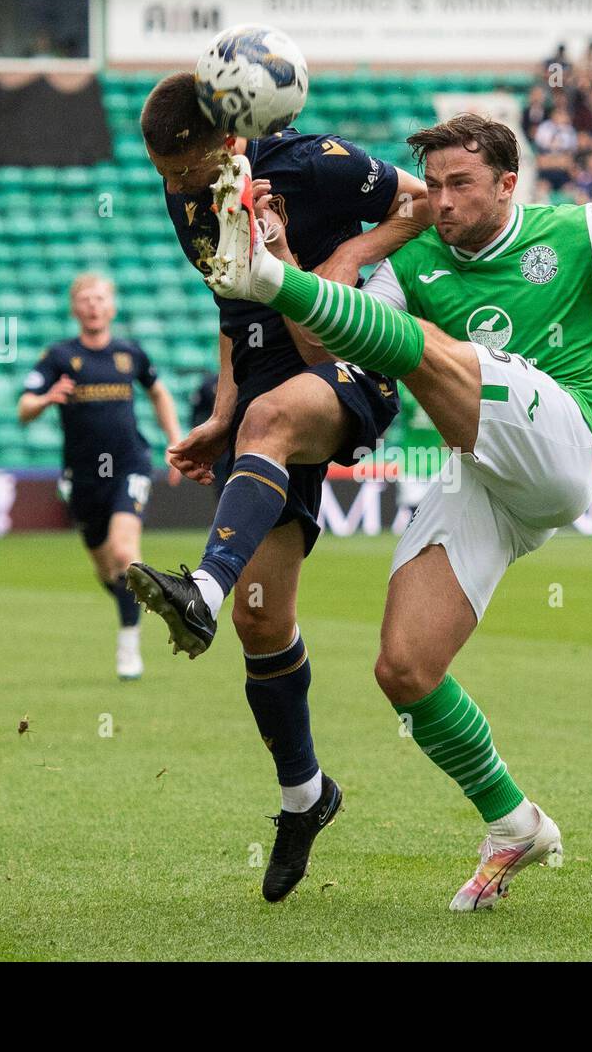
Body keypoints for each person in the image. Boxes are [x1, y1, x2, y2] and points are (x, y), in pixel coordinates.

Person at [201, 112, 592, 910]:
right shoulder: (410, 257)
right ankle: (514, 821)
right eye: (433, 185)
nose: (439, 201)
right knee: (404, 667)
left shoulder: (575, 231)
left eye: (460, 185)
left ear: (507, 184)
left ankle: (269, 282)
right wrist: (279, 253)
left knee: (444, 352)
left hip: (564, 446)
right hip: (482, 467)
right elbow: (324, 350)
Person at [124, 71, 429, 903]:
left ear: (227, 139)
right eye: (163, 174)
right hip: (262, 375)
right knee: (265, 621)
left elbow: (421, 202)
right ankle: (306, 795)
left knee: (272, 427)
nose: (175, 189)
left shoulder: (313, 164)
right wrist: (222, 412)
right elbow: (232, 306)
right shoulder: (187, 198)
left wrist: (329, 263)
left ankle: (201, 587)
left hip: (347, 343)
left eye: (184, 172)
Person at [18, 274, 181, 680]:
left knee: (126, 554)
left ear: (112, 306)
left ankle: (129, 645)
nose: (93, 305)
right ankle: (132, 603)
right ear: (75, 308)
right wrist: (46, 400)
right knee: (108, 570)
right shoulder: (58, 357)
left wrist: (175, 441)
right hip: (83, 476)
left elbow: (158, 392)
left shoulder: (130, 354)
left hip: (130, 465)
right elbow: (23, 408)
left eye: (101, 298)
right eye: (85, 299)